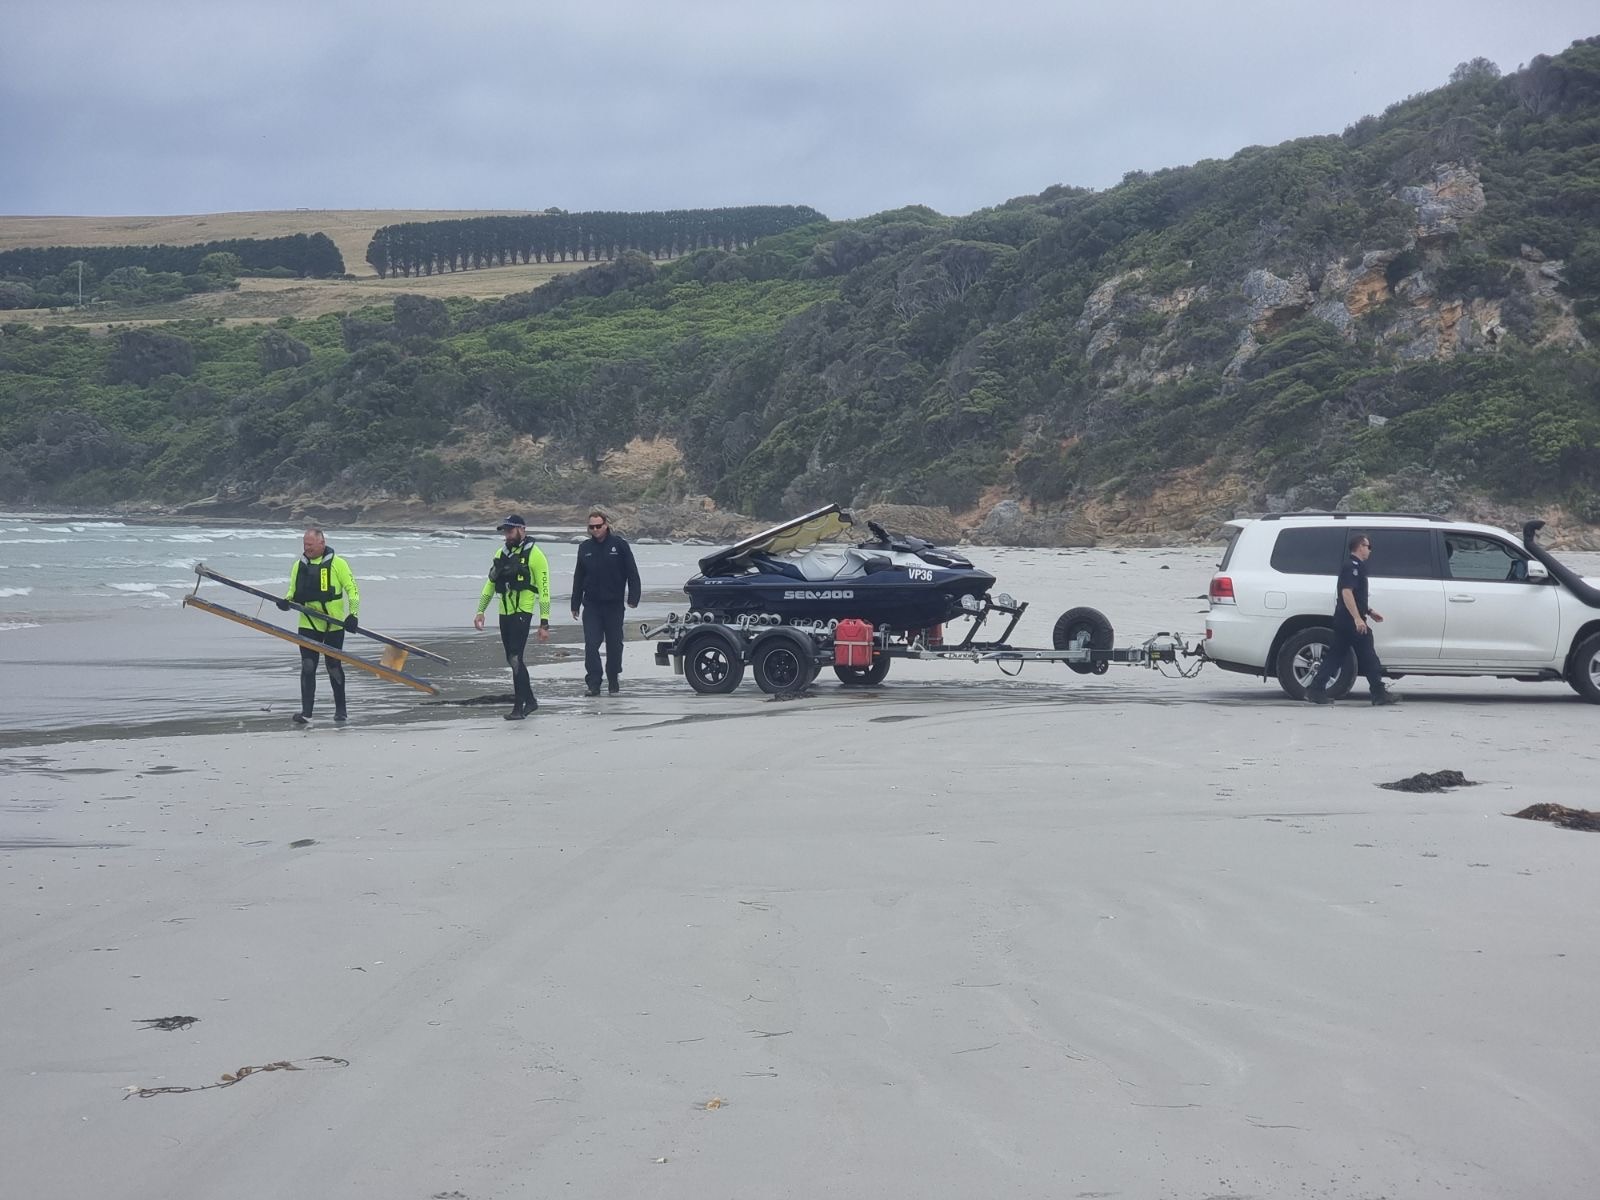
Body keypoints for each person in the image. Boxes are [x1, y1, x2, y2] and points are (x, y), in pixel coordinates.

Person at [1305, 532, 1400, 706]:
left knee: (1336, 655)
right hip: (1350, 621)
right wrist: (1357, 618)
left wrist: (1369, 611)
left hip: (1345, 619)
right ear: (1360, 547)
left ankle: (1315, 689)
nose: (1369, 550)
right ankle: (1378, 692)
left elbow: (1355, 596)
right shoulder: (1352, 566)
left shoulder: (1355, 566)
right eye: (1368, 546)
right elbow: (1346, 592)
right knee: (1368, 655)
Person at [278, 526, 360, 725]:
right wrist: (286, 602)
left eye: (310, 545)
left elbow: (353, 590)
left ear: (322, 543)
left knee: (333, 666)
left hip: (334, 625)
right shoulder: (299, 565)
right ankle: (306, 713)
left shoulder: (338, 564)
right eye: (304, 545)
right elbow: (292, 591)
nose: (306, 548)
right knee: (308, 666)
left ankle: (341, 710)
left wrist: (353, 614)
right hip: (308, 623)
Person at [474, 514, 550, 720]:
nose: (507, 535)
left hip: (522, 612)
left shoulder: (536, 555)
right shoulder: (502, 553)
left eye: (510, 530)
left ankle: (519, 707)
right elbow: (490, 583)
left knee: (516, 657)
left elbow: (544, 590)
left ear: (522, 530)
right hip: (504, 612)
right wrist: (481, 610)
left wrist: (544, 622)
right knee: (512, 658)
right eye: (505, 531)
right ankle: (531, 701)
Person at [571, 509, 641, 696]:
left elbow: (632, 573)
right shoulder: (584, 548)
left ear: (606, 525)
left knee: (614, 644)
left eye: (598, 526)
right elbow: (579, 577)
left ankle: (613, 678)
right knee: (591, 644)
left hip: (614, 605)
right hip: (592, 605)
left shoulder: (619, 546)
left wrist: (633, 598)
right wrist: (575, 604)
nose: (595, 530)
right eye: (591, 527)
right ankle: (593, 683)